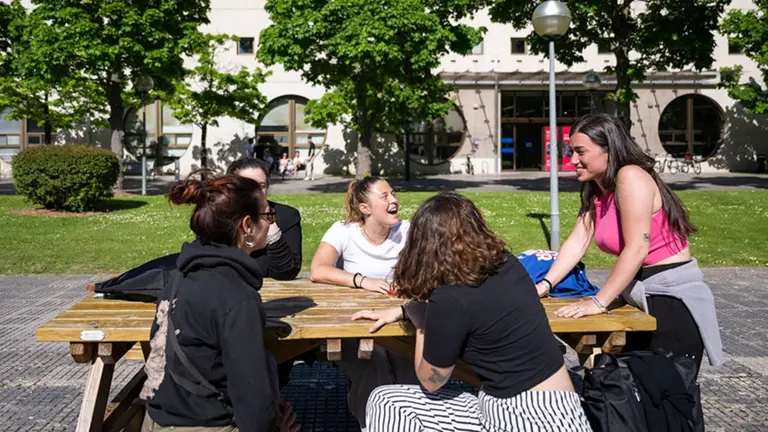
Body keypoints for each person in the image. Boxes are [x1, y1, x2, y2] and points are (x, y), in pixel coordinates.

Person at [354, 192, 592, 431]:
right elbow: (474, 307)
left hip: (520, 418)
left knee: (387, 402)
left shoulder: (450, 299)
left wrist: (422, 324)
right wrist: (405, 309)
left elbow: (431, 381)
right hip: (560, 409)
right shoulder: (506, 264)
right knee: (388, 401)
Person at [539, 113, 723, 374]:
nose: (572, 160)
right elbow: (577, 241)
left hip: (670, 299)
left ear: (609, 150)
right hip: (639, 292)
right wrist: (544, 285)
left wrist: (598, 302)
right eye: (571, 151)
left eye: (580, 152)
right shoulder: (598, 188)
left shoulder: (631, 176)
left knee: (669, 397)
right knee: (631, 392)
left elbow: (637, 248)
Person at [140, 172, 299, 432]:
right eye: (268, 216)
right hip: (205, 425)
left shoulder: (180, 275)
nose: (271, 223)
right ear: (247, 226)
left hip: (158, 419)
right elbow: (252, 400)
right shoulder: (237, 298)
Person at [310, 176, 417, 430]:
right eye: (385, 196)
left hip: (400, 322)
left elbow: (434, 270)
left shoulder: (410, 230)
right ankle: (372, 424)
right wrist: (362, 280)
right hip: (355, 325)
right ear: (365, 208)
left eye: (393, 194)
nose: (394, 200)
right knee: (374, 367)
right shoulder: (343, 231)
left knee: (407, 369)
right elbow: (318, 270)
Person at [227, 158, 302, 281]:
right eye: (248, 186)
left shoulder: (287, 216)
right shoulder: (218, 215)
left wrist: (272, 228)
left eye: (261, 186)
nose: (256, 193)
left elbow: (287, 272)